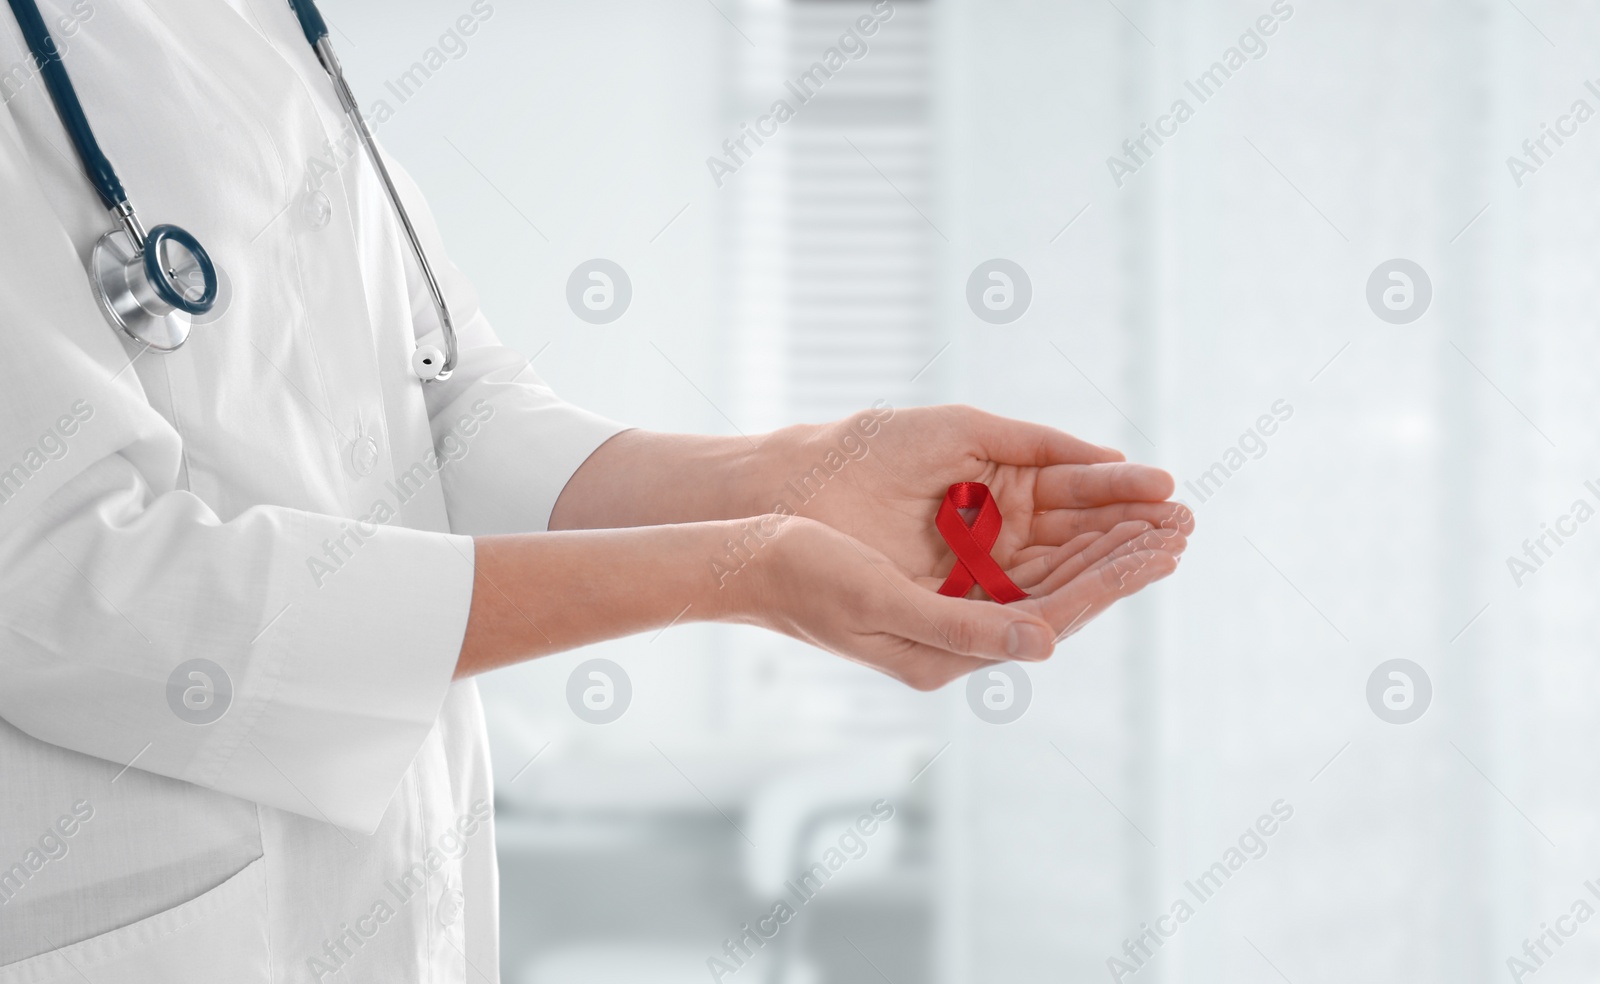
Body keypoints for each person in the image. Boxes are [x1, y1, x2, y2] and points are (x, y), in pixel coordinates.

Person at [0, 1, 1191, 981]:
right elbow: (63, 589)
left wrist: (786, 478)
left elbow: (447, 404)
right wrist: (743, 569)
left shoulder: (267, 23)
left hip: (396, 902)